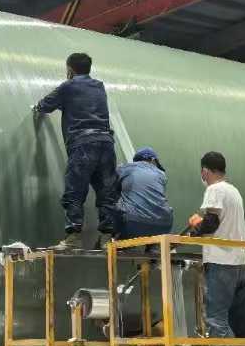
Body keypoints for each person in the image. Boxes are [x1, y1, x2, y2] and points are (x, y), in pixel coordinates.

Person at [34, 53, 120, 250]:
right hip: (106, 143)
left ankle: (73, 237)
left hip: (83, 144)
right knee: (107, 191)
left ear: (70, 69)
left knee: (75, 191)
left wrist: (37, 108)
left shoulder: (68, 87)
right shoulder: (99, 87)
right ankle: (107, 238)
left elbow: (45, 105)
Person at [186, 151, 245, 346]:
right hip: (240, 262)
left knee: (215, 311)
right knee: (241, 314)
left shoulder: (214, 189)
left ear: (204, 171)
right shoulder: (234, 191)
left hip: (221, 261)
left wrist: (195, 229)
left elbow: (212, 222)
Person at [114, 147, 175, 239]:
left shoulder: (125, 168)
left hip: (133, 224)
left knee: (111, 201)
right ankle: (153, 245)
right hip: (164, 226)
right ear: (153, 160)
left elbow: (110, 183)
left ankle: (118, 237)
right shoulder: (161, 174)